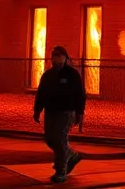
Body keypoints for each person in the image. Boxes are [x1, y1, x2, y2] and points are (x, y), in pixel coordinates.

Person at [33, 45, 86, 184]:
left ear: (65, 57)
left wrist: (80, 112)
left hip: (66, 112)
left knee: (60, 139)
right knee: (50, 139)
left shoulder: (72, 75)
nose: (56, 58)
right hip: (50, 111)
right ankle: (71, 154)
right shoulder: (48, 75)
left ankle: (61, 171)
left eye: (59, 55)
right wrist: (37, 110)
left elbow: (80, 94)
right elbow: (41, 93)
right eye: (54, 55)